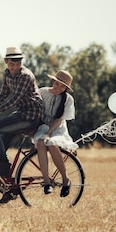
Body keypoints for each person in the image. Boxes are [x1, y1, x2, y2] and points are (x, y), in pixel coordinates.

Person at [0, 46, 44, 183]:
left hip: (32, 117)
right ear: (5, 61)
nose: (14, 67)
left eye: (18, 64)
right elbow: (3, 94)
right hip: (21, 113)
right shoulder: (7, 73)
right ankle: (8, 182)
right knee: (1, 142)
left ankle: (4, 166)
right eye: (11, 64)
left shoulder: (25, 75)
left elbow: (14, 99)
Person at [34, 70, 78, 198]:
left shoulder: (68, 99)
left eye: (62, 86)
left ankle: (65, 180)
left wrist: (49, 133)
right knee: (41, 142)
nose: (59, 88)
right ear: (53, 81)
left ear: (66, 88)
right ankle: (47, 183)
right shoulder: (42, 92)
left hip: (58, 128)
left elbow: (60, 120)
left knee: (52, 143)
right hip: (43, 126)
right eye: (57, 84)